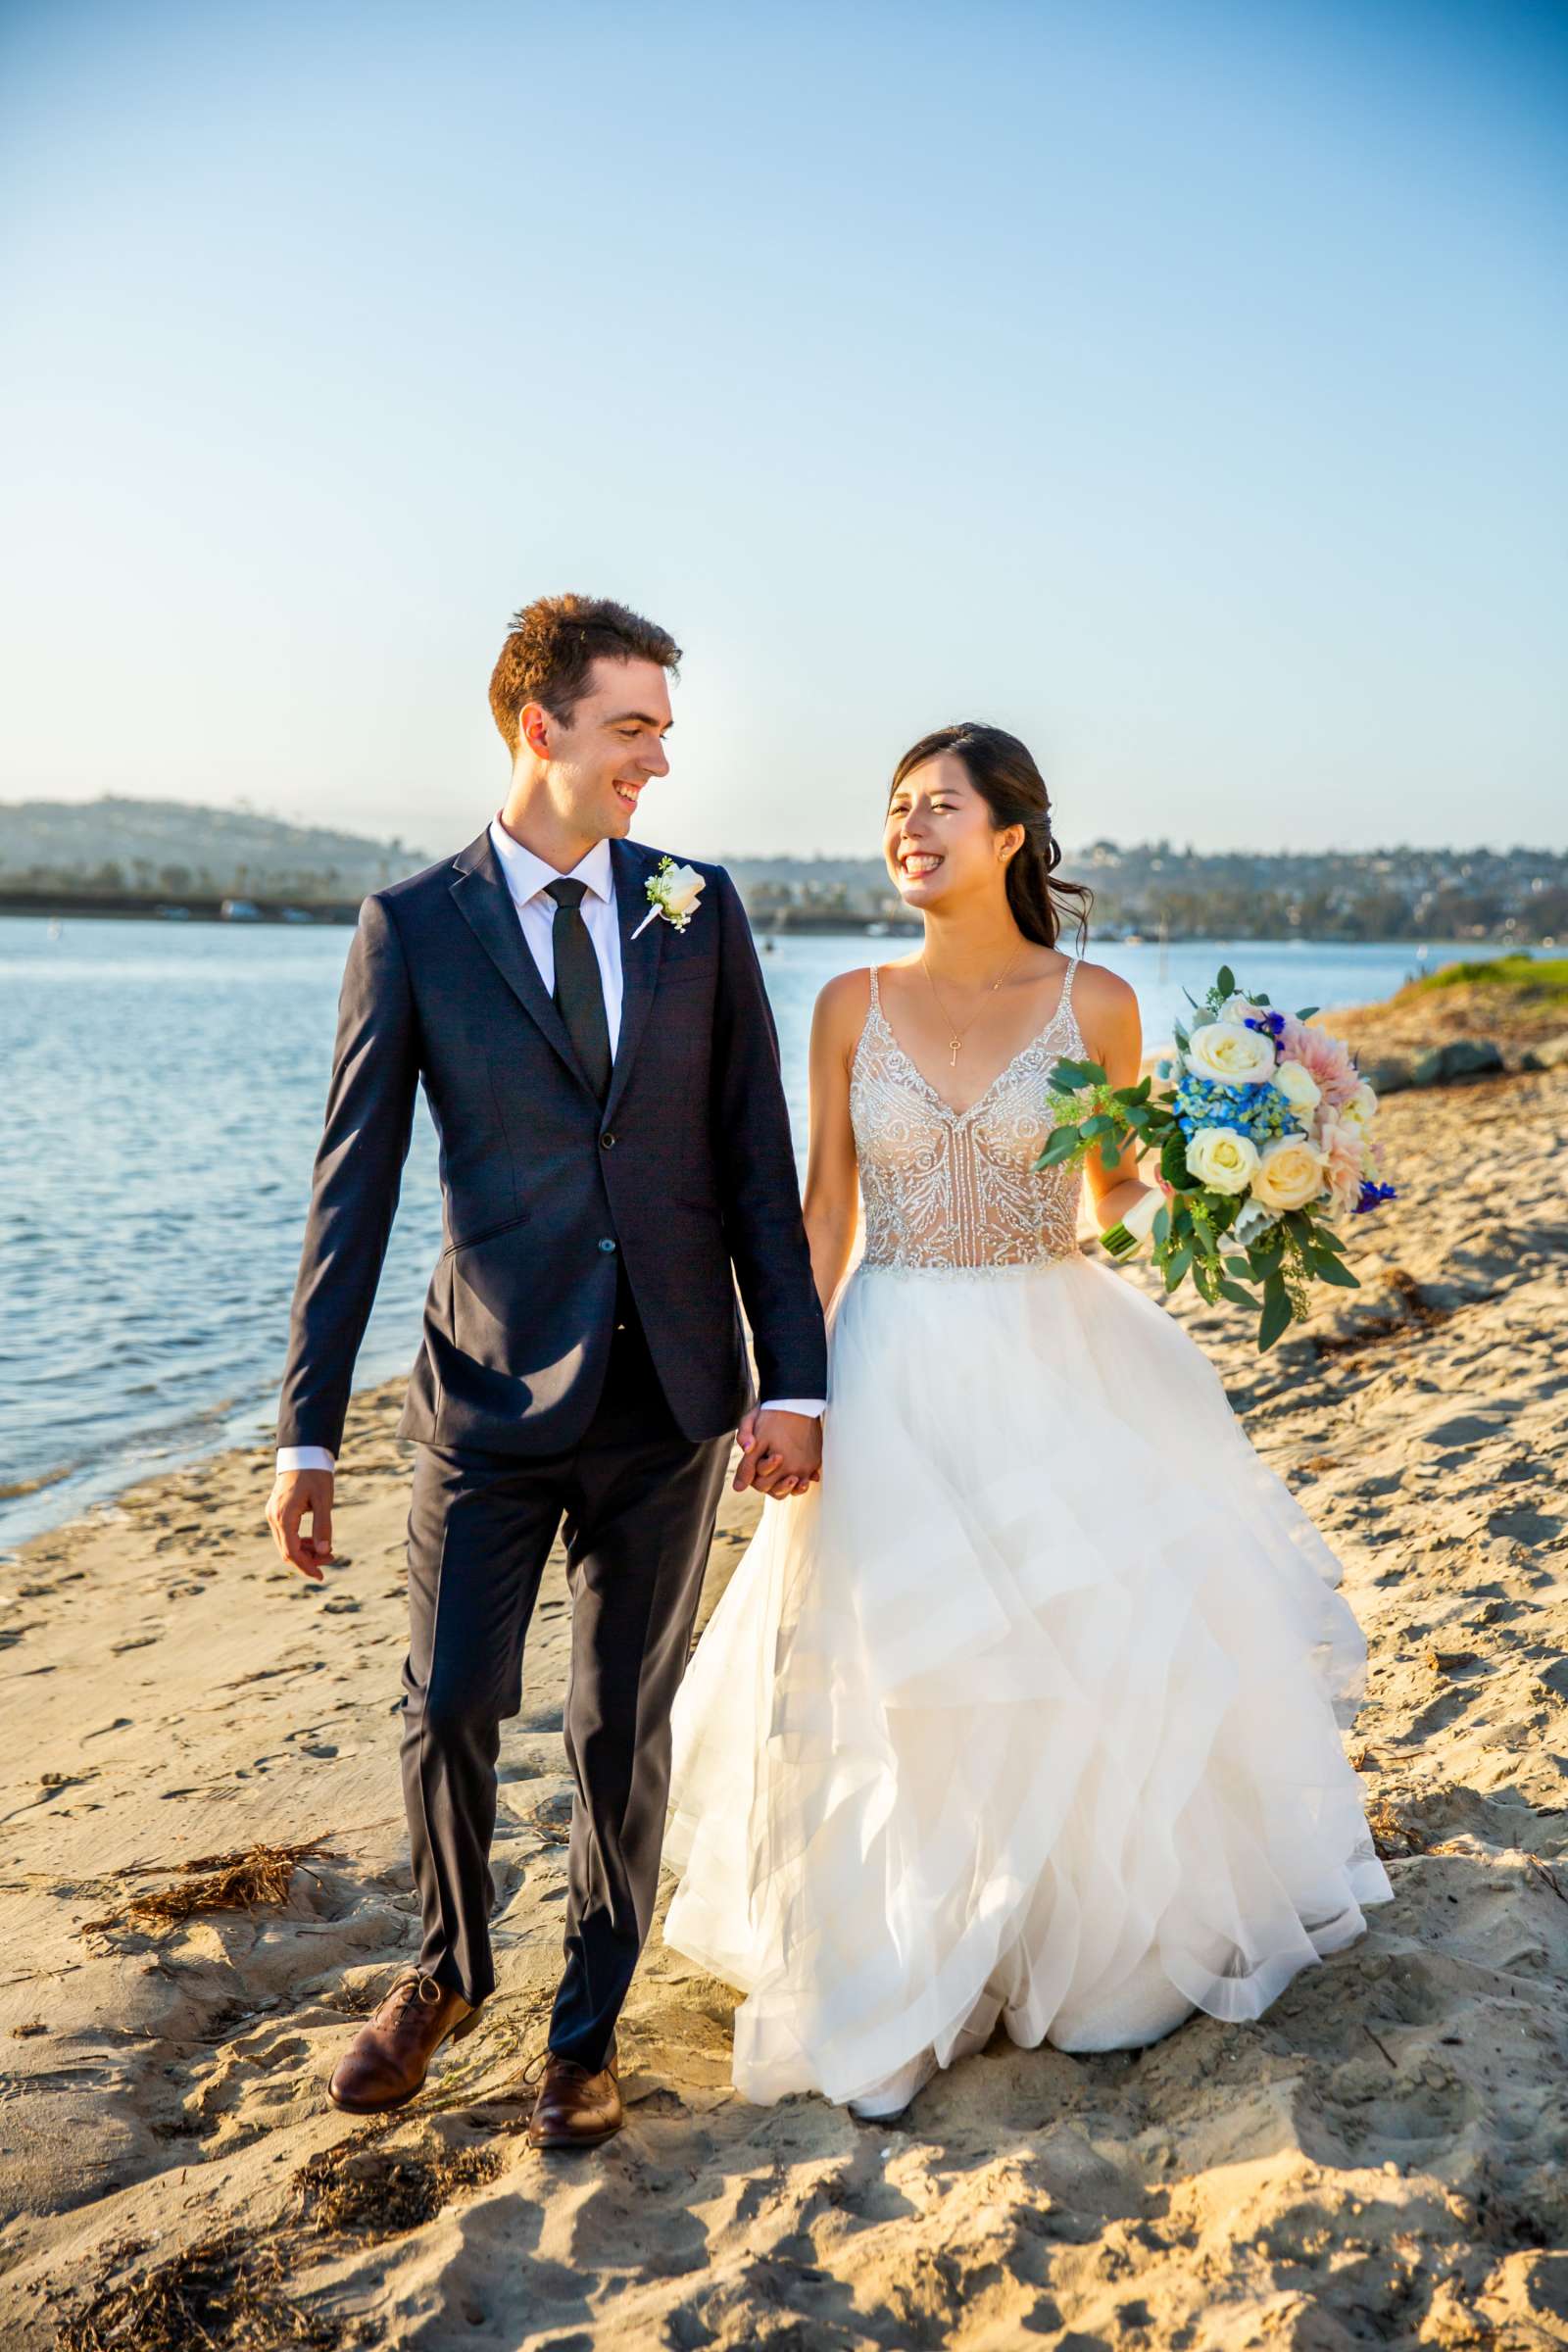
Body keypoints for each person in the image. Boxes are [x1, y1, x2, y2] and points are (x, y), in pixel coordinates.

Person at [662, 721, 1393, 2121]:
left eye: (939, 806)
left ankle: (1070, 1937)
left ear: (1010, 836)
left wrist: (1226, 1178)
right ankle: (920, 1941)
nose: (909, 828)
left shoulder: (1096, 1002)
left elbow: (1112, 1193)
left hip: (1054, 1348)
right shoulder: (848, 1004)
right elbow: (823, 1214)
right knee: (909, 1665)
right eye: (895, 808)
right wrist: (790, 1390)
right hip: (888, 1354)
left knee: (1070, 1651)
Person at [266, 594, 827, 2148]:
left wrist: (799, 1380)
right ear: (542, 726)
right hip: (487, 1393)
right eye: (633, 724)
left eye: (661, 725)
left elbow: (751, 1163)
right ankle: (446, 1968)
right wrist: (306, 1435)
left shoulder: (694, 910)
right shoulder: (416, 925)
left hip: (672, 1399)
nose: (659, 756)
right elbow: (353, 1188)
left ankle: (584, 2036)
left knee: (614, 1730)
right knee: (447, 1700)